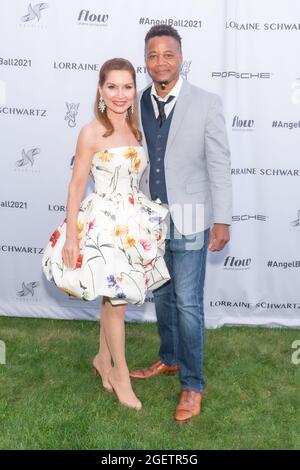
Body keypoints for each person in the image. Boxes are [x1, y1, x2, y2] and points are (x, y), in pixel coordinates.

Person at [42, 58, 170, 411]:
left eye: (127, 86)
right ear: (100, 89)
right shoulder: (90, 132)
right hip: (104, 224)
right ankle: (120, 375)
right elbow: (75, 187)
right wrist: (71, 237)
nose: (119, 94)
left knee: (114, 298)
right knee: (116, 304)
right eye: (111, 86)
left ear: (134, 89)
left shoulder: (137, 129)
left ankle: (102, 359)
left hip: (132, 223)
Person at [129, 25, 232, 423]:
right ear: (146, 61)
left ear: (181, 58)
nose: (160, 62)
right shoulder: (136, 102)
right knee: (163, 298)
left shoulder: (206, 103)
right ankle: (169, 358)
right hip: (150, 220)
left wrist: (221, 219)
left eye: (167, 54)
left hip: (191, 217)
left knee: (188, 302)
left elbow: (219, 165)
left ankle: (192, 384)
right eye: (153, 55)